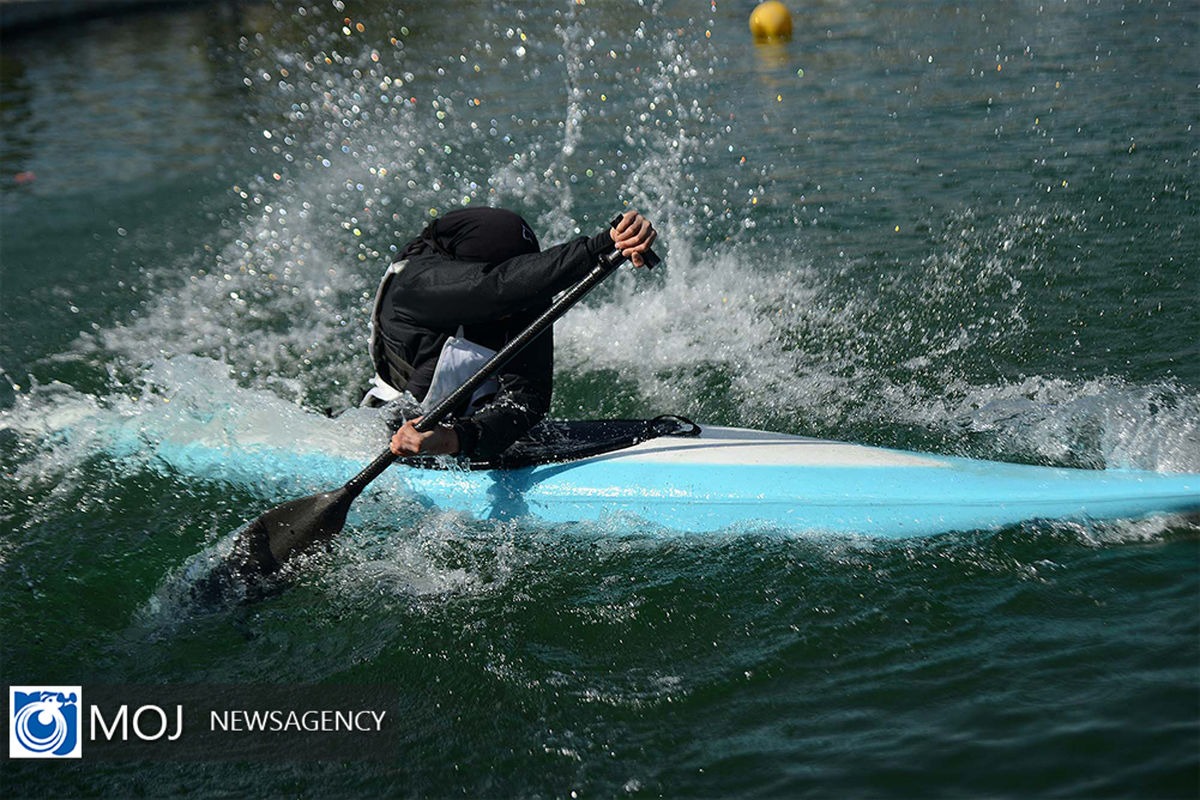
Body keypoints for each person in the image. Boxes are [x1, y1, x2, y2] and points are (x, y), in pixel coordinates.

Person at [364, 208, 657, 459]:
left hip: (456, 431)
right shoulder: (415, 285)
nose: (515, 313)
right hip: (388, 431)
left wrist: (455, 439)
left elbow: (526, 400)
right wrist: (601, 245)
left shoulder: (523, 299)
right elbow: (495, 289)